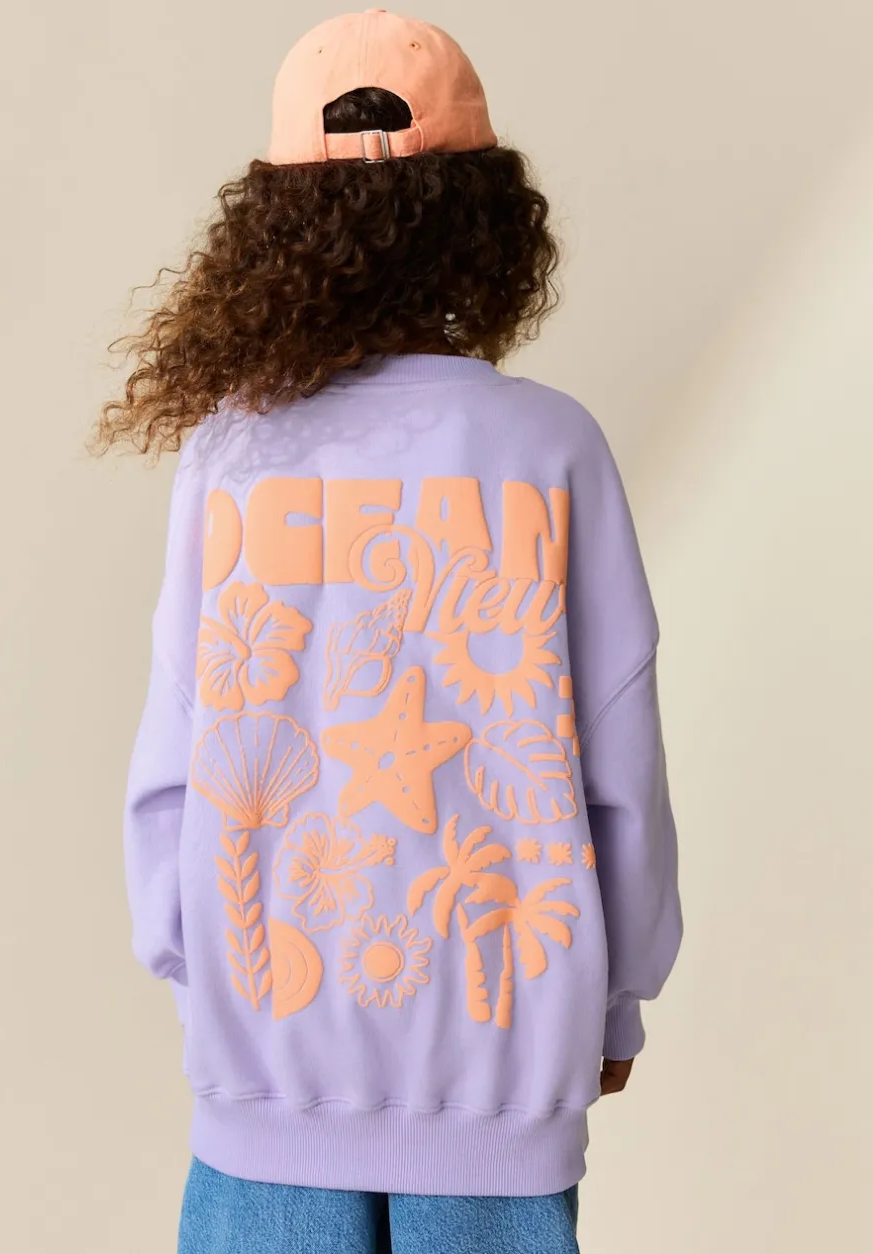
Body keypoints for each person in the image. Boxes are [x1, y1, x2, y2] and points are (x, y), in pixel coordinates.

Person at [96, 11, 682, 1253]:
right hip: (504, 1066)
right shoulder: (549, 445)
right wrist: (616, 1003)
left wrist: (208, 989)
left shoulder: (231, 454)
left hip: (265, 1063)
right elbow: (617, 765)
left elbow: (172, 762)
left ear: (271, 223)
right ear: (486, 217)